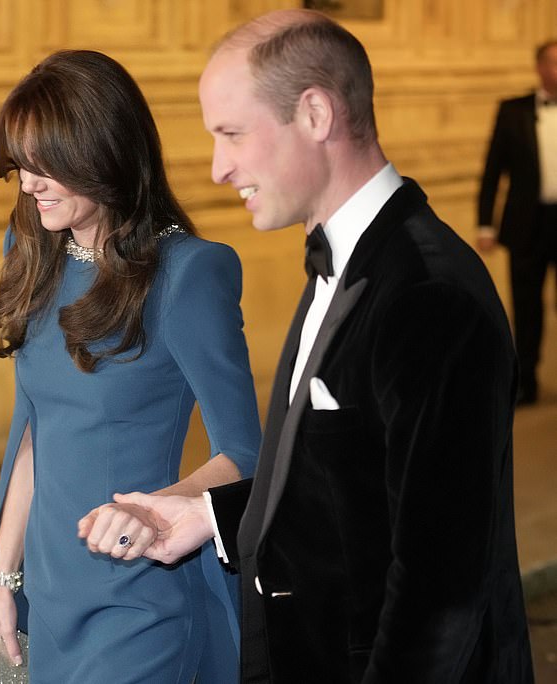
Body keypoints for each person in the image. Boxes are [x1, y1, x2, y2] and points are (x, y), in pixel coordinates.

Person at [79, 10, 534, 683]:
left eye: (231, 133)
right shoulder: (346, 259)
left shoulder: (429, 296)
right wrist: (210, 513)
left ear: (316, 114)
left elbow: (441, 589)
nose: (217, 168)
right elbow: (348, 487)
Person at [0, 49, 261, 684]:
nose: (28, 185)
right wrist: (1, 583)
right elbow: (32, 433)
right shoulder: (31, 249)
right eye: (20, 165)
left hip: (137, 598)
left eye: (46, 167)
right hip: (45, 594)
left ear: (103, 154)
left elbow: (245, 452)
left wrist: (156, 508)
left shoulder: (188, 275)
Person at [478, 39, 557, 405]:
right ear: (539, 67)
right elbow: (493, 172)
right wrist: (485, 224)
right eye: (552, 63)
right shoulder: (512, 111)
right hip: (528, 224)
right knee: (526, 307)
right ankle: (526, 380)